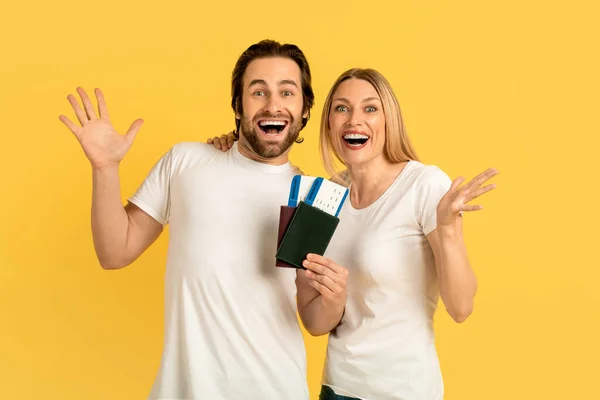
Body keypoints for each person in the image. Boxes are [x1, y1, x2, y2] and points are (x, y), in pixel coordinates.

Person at [58, 39, 347, 400]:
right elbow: (114, 252)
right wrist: (105, 168)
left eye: (287, 92)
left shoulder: (314, 201)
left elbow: (314, 320)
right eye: (258, 92)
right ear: (238, 107)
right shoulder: (186, 162)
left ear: (305, 109)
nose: (273, 104)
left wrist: (334, 301)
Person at [209, 68, 498, 399]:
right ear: (329, 123)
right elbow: (316, 324)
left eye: (370, 109)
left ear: (388, 120)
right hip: (337, 389)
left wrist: (448, 230)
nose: (353, 120)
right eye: (341, 108)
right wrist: (333, 299)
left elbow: (461, 308)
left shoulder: (424, 186)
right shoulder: (323, 198)